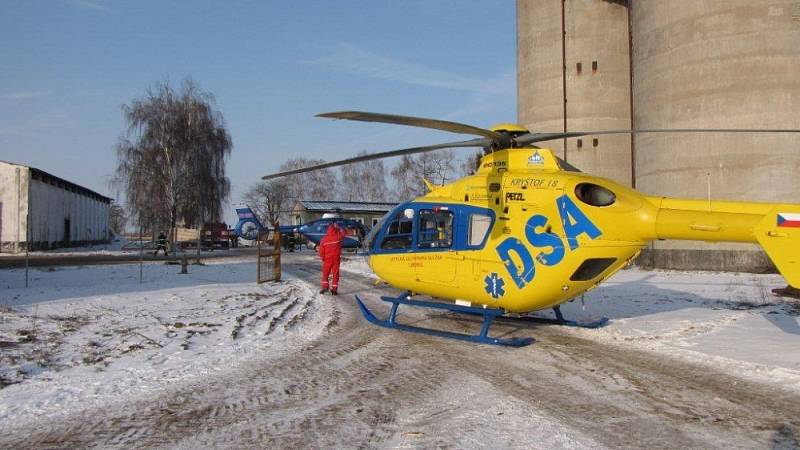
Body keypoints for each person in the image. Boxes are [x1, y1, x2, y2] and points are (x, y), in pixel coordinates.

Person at [318, 222, 345, 295]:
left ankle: (325, 287)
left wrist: (323, 258)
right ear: (335, 229)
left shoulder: (324, 239)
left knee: (325, 273)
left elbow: (321, 251)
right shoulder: (338, 236)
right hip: (336, 259)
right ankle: (334, 289)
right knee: (335, 274)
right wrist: (339, 227)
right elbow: (344, 233)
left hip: (327, 259)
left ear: (328, 230)